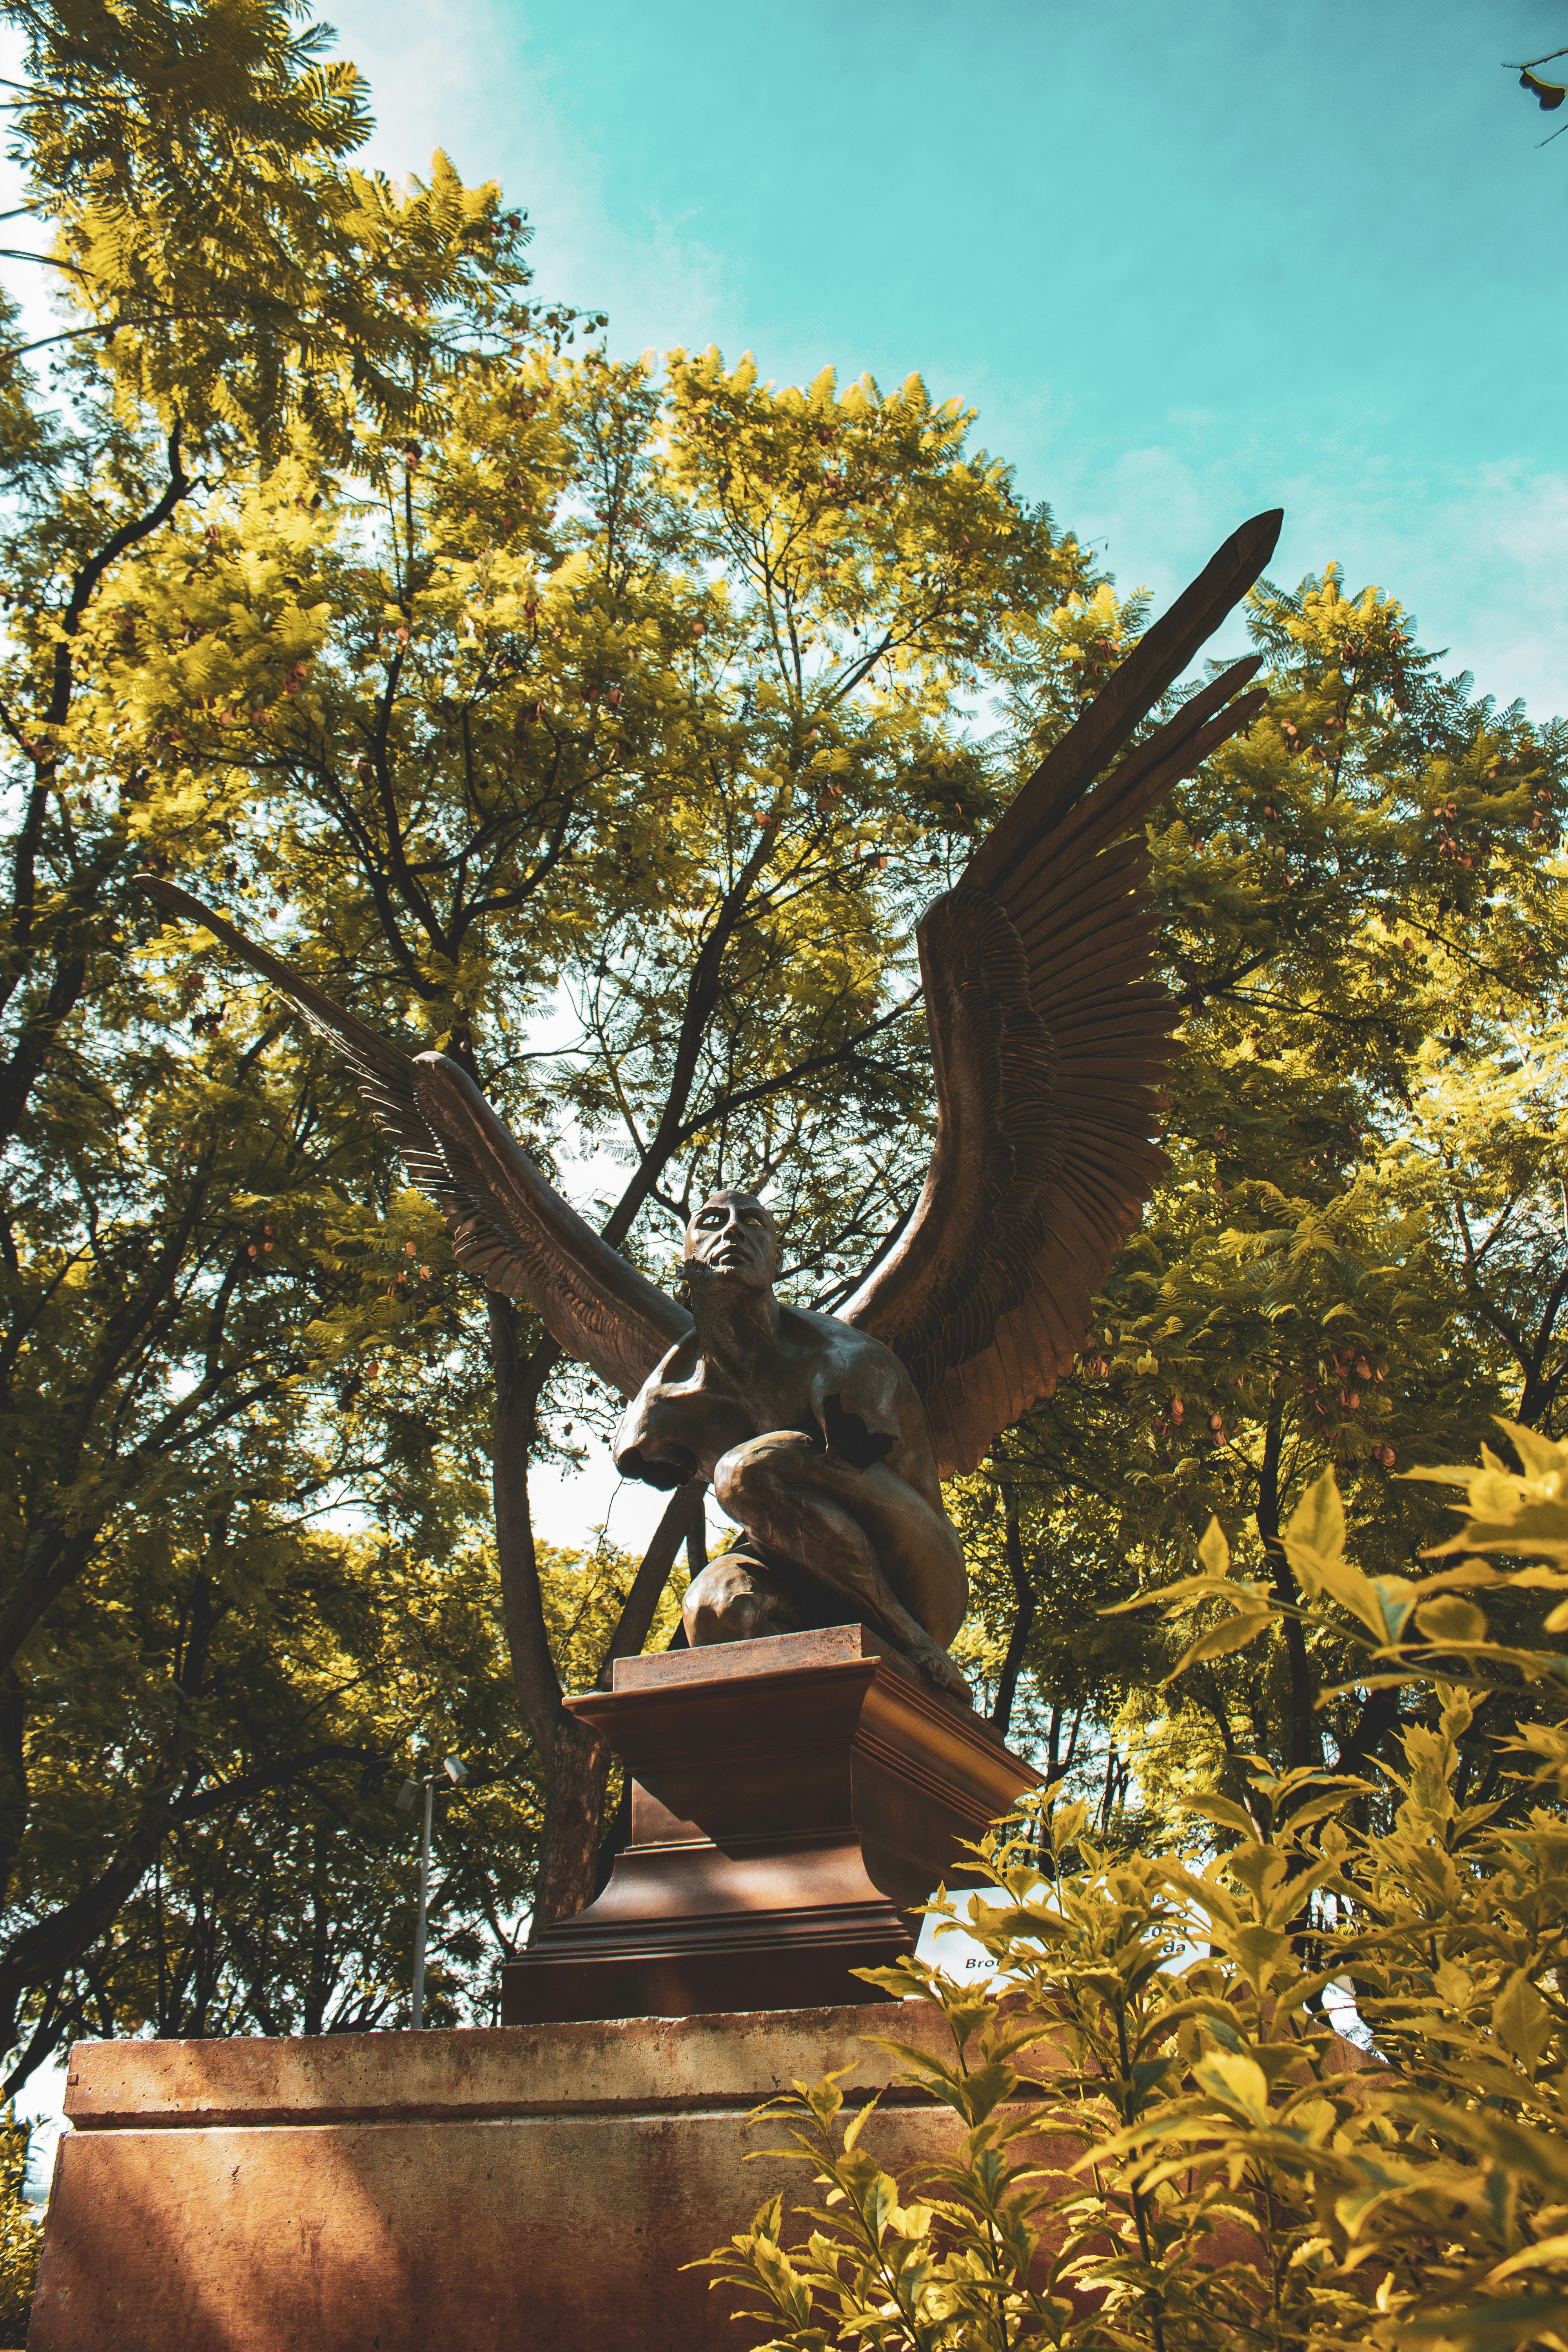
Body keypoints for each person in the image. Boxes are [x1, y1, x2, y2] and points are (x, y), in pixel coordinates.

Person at [614, 1189, 971, 1699]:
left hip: (918, 1578)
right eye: (712, 1221)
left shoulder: (841, 1353)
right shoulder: (672, 1387)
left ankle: (909, 1641)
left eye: (753, 1222)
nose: (733, 1230)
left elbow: (828, 1465)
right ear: (687, 1257)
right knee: (714, 1610)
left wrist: (914, 1628)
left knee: (746, 1472)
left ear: (778, 1259)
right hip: (801, 1572)